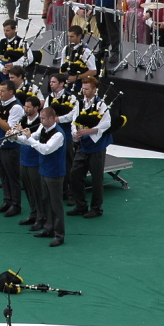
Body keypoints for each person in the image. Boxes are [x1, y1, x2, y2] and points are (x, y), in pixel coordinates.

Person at [17, 106, 67, 246]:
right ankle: (48, 228)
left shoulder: (58, 134)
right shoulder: (43, 128)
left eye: (43, 118)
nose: (41, 120)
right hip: (44, 171)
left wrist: (28, 138)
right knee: (46, 201)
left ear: (51, 119)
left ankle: (59, 235)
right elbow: (31, 139)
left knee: (56, 205)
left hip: (55, 173)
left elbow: (45, 150)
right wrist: (17, 138)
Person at [68, 76, 112, 219]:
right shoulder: (79, 104)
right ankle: (81, 205)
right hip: (82, 145)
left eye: (87, 89)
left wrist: (89, 131)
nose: (84, 91)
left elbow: (106, 124)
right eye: (83, 88)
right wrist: (75, 133)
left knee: (96, 178)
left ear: (94, 90)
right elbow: (74, 120)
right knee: (75, 174)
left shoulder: (101, 105)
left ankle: (96, 208)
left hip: (96, 146)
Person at [0, 80, 24, 217]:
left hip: (10, 147)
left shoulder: (16, 107)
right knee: (3, 176)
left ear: (11, 92)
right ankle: (7, 200)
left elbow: (9, 128)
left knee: (12, 176)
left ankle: (16, 204)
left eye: (2, 91)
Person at [45, 73, 79, 203]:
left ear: (61, 83)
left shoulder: (71, 97)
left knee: (68, 163)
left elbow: (73, 115)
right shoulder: (49, 98)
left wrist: (58, 119)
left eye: (53, 82)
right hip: (52, 135)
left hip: (66, 135)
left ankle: (70, 193)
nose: (51, 84)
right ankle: (60, 190)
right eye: (50, 82)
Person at [17, 96, 44, 228]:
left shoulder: (40, 122)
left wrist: (20, 135)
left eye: (28, 107)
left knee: (37, 191)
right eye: (25, 106)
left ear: (36, 108)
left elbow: (33, 138)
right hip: (24, 159)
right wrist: (14, 136)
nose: (25, 109)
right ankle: (33, 214)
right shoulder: (23, 119)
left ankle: (41, 217)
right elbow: (21, 138)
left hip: (35, 160)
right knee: (28, 189)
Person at [58, 25, 96, 94]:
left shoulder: (85, 51)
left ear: (79, 36)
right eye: (68, 36)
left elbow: (93, 71)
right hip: (67, 84)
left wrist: (76, 77)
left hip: (81, 86)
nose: (69, 39)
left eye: (72, 37)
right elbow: (62, 67)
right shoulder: (66, 49)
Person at [0, 19, 31, 85]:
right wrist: (2, 69)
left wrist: (14, 65)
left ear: (14, 30)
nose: (5, 32)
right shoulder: (1, 42)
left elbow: (29, 58)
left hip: (17, 77)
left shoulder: (21, 42)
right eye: (4, 30)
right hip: (3, 77)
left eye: (7, 30)